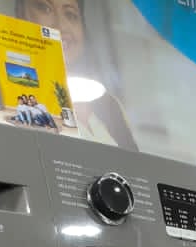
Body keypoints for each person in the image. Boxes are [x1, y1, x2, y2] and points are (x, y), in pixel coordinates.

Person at [15, 0, 137, 149]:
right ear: (20, 15)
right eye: (45, 8)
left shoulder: (111, 105)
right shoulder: (16, 97)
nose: (61, 25)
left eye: (70, 14)